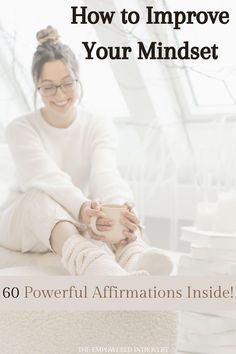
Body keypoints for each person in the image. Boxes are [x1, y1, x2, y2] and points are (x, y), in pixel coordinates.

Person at [0, 26, 173, 276]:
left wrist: (123, 209)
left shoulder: (98, 124)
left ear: (78, 78)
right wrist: (83, 209)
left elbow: (105, 173)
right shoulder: (21, 128)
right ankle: (94, 266)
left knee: (113, 207)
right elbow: (47, 177)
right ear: (37, 87)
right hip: (23, 221)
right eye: (48, 87)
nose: (59, 95)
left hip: (76, 214)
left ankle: (134, 258)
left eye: (67, 83)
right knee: (40, 196)